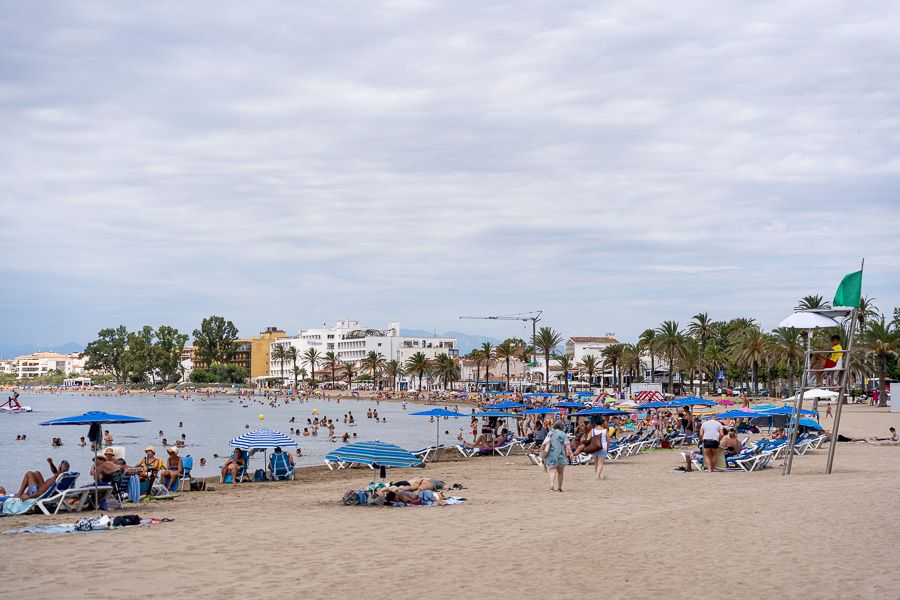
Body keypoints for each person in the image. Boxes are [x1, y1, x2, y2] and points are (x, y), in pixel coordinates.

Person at [543, 421, 573, 492]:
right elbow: (567, 444)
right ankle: (559, 487)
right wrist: (571, 453)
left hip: (551, 454)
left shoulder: (550, 433)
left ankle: (551, 486)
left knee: (552, 470)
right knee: (560, 472)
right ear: (562, 427)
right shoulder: (563, 434)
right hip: (560, 454)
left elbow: (545, 442)